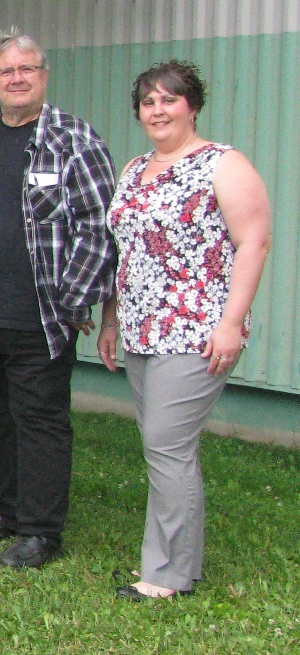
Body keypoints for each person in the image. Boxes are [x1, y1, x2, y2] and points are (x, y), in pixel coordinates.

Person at [0, 31, 116, 569]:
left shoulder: (72, 139)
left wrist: (73, 298)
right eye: (5, 72)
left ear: (44, 74)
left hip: (38, 315)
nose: (16, 79)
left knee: (39, 421)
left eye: (27, 69)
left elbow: (98, 225)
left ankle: (42, 532)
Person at [98, 61, 270, 601]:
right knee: (171, 449)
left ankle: (164, 576)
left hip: (197, 329)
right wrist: (110, 319)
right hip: (142, 330)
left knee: (165, 445)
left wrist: (231, 323)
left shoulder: (224, 164)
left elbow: (254, 242)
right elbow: (123, 251)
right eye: (148, 102)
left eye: (169, 100)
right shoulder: (135, 168)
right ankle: (182, 568)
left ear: (191, 106)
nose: (158, 110)